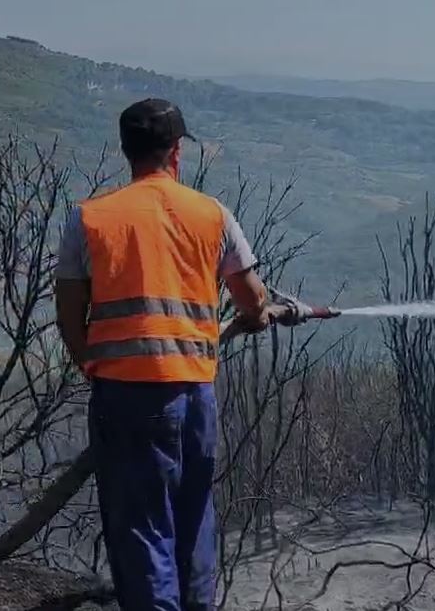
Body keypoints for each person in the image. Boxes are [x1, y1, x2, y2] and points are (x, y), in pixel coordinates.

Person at [53, 98, 269, 610]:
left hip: (125, 396)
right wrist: (256, 315)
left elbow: (68, 315)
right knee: (192, 521)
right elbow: (252, 297)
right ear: (176, 152)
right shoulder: (212, 213)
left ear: (126, 151)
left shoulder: (88, 219)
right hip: (195, 395)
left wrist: (94, 366)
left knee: (142, 530)